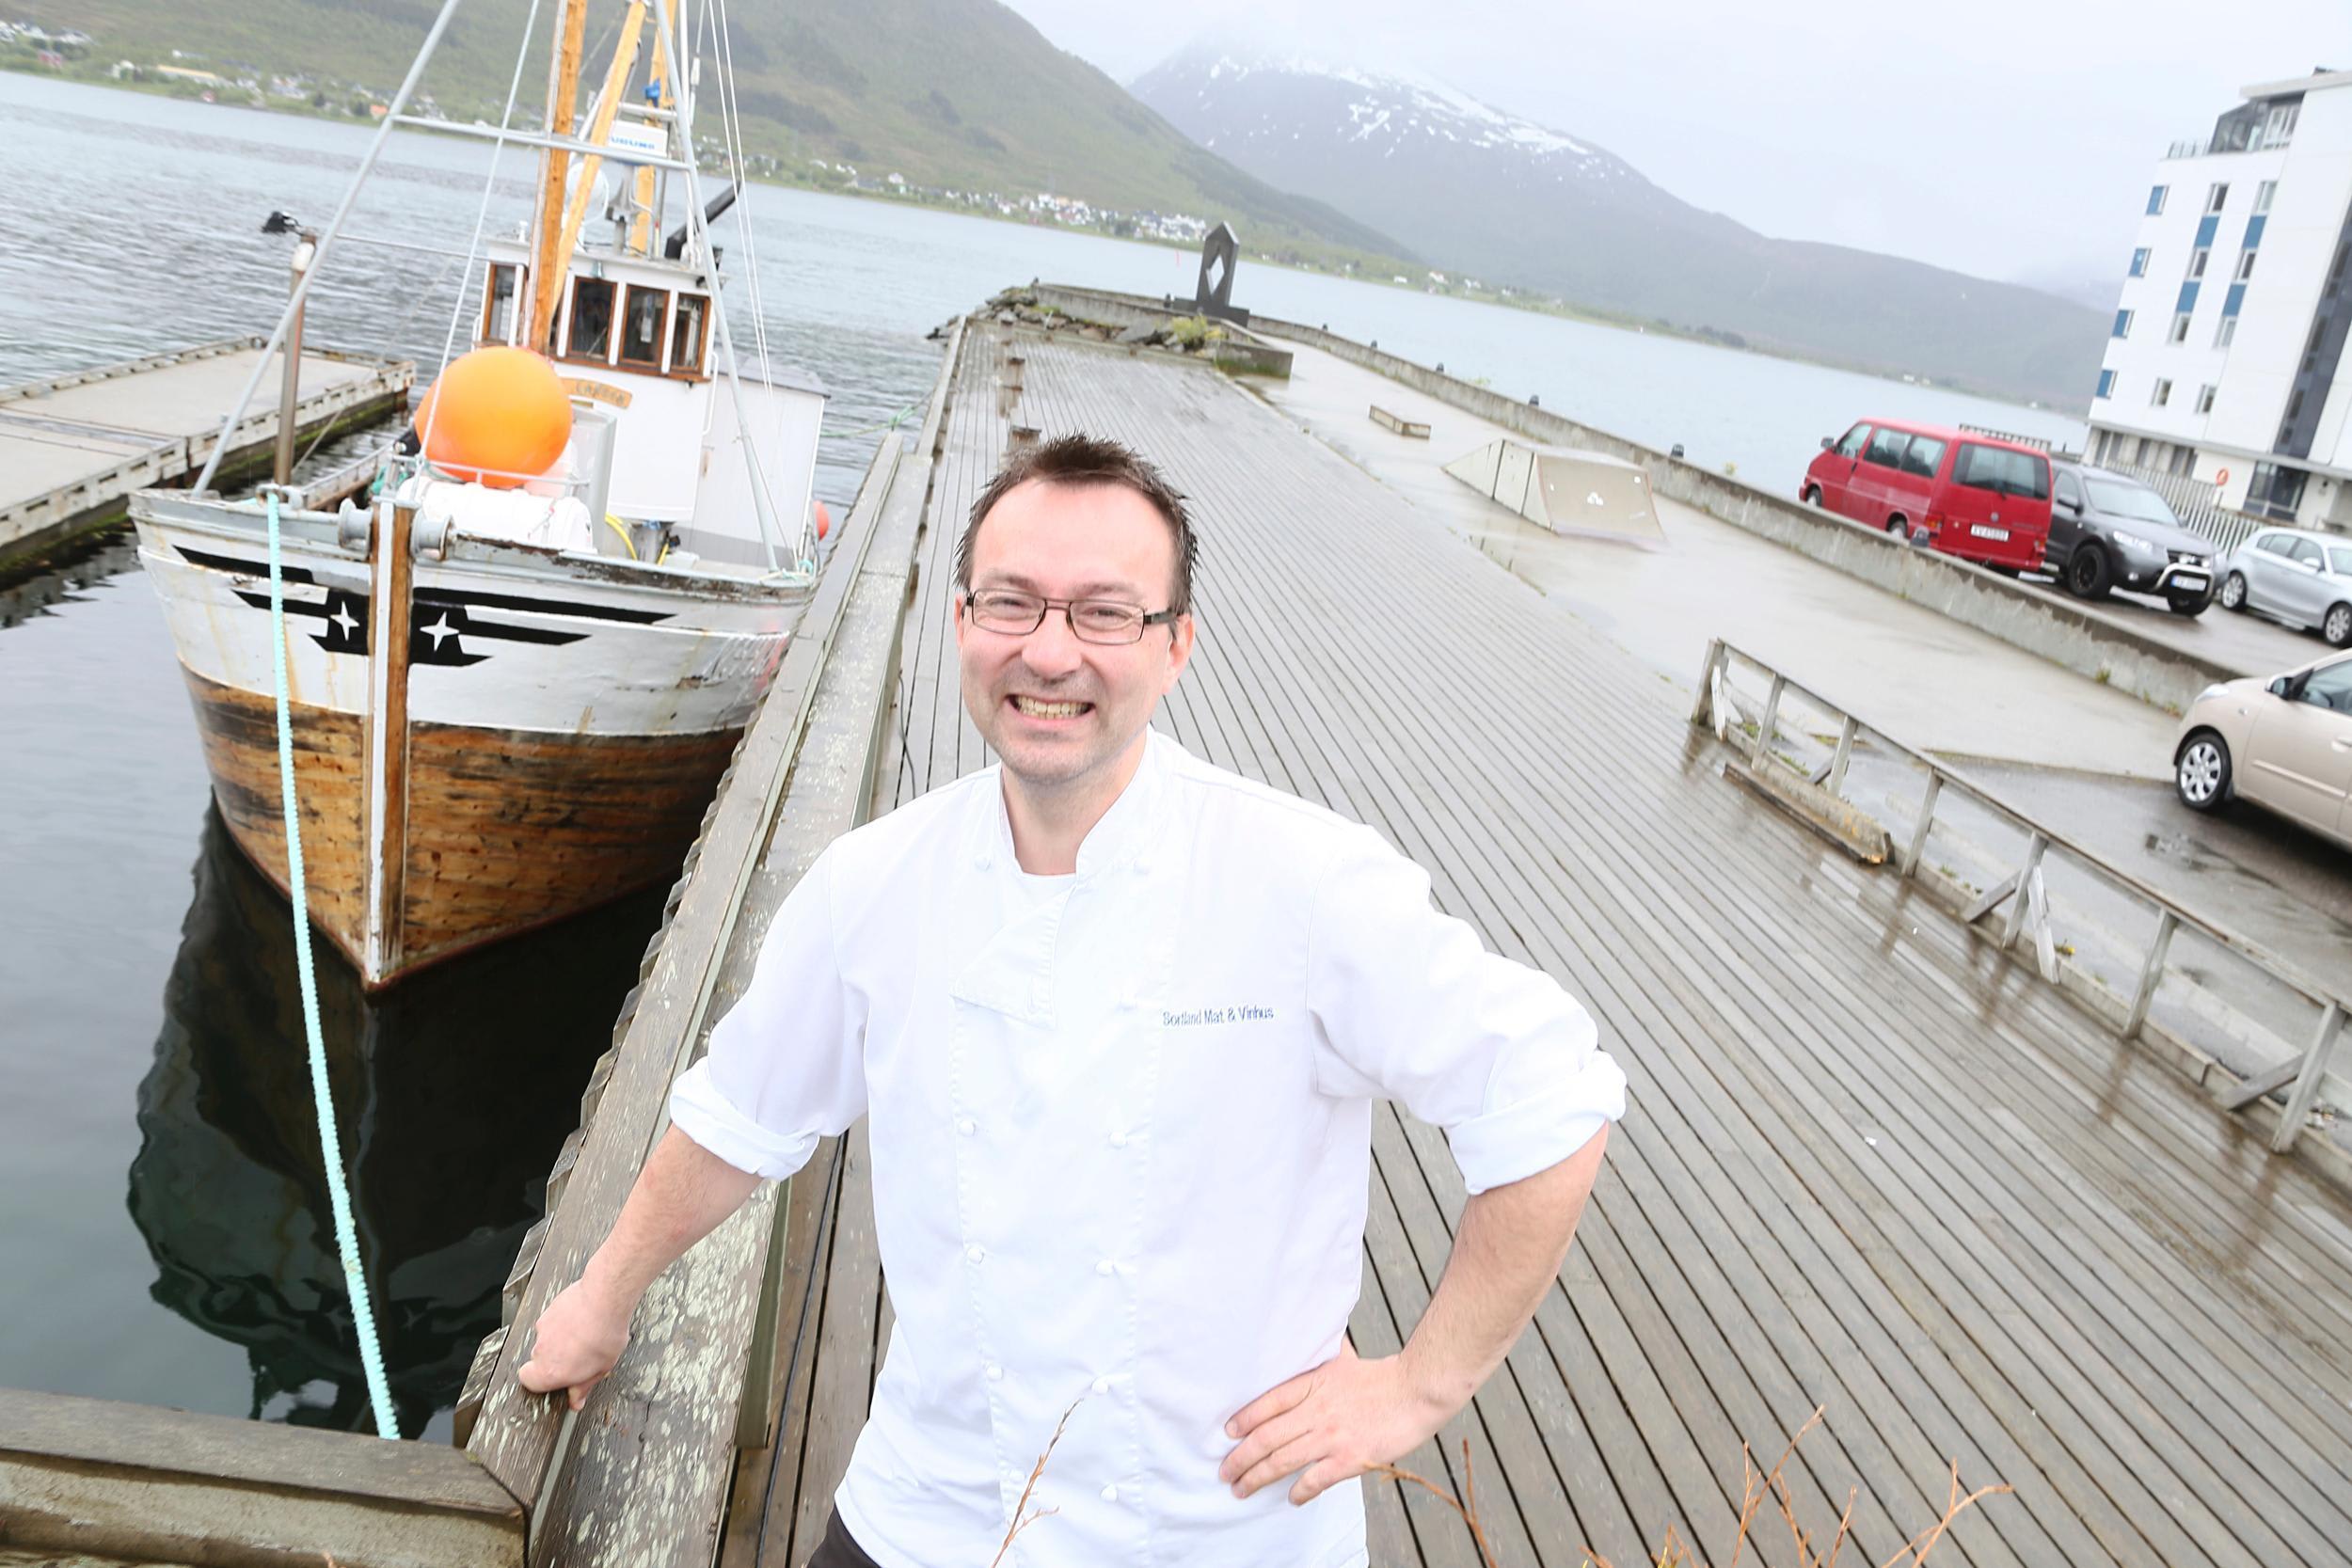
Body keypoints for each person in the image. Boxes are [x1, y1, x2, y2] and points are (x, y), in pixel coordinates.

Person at [519, 434, 1627, 1567]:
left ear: (1175, 644)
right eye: (1011, 602)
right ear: (961, 620)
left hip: (1216, 1533)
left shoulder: (1302, 880)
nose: (1049, 652)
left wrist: (1417, 1385)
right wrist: (602, 1297)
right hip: (929, 1509)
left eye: (1104, 613)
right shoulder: (874, 883)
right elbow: (740, 1114)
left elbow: (1547, 1097)